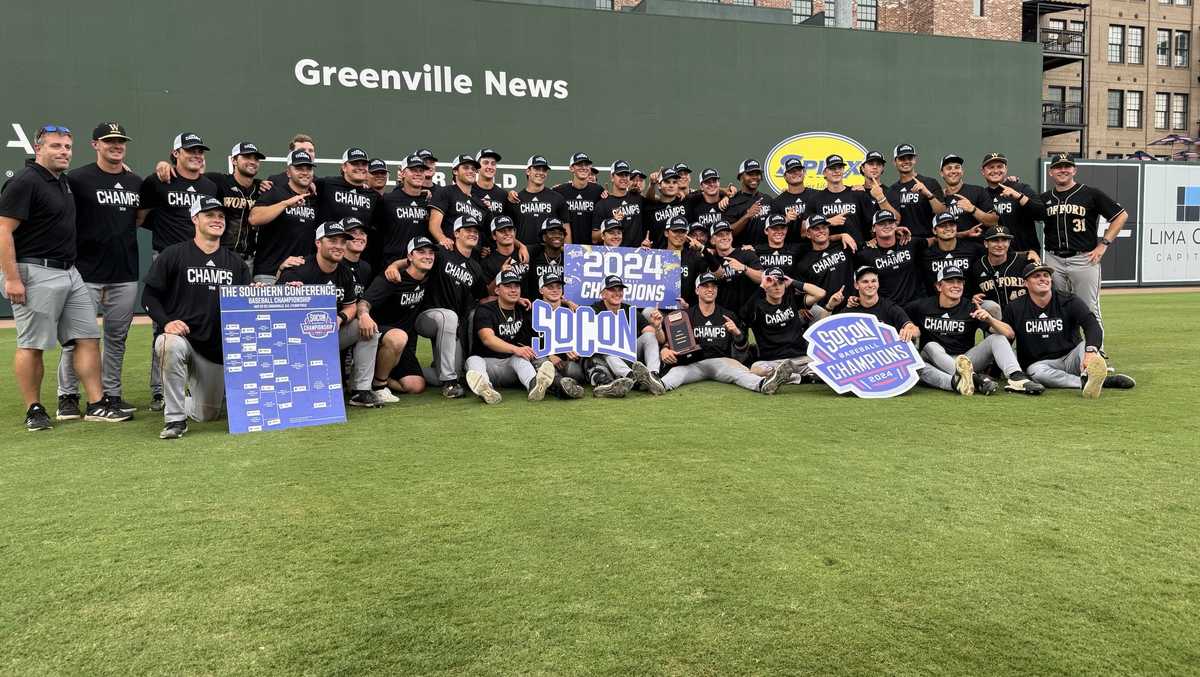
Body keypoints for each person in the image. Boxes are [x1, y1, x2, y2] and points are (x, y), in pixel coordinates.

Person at [1, 124, 130, 430]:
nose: (63, 152)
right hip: (34, 271)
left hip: (70, 272)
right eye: (55, 146)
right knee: (32, 344)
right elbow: (3, 230)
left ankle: (97, 404)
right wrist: (12, 278)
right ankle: (34, 408)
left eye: (67, 147)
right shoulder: (25, 181)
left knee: (87, 338)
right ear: (38, 149)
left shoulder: (62, 182)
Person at [142, 196, 251, 439]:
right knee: (166, 343)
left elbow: (246, 304)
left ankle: (189, 400)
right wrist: (166, 321)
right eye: (209, 215)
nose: (217, 220)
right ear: (195, 219)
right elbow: (149, 296)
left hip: (214, 350)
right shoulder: (174, 255)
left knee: (207, 414)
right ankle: (175, 419)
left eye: (221, 216)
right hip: (184, 340)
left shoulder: (235, 263)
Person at [56, 122, 142, 418]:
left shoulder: (135, 182)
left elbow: (140, 218)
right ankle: (67, 395)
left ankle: (111, 395)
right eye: (109, 141)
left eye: (120, 141)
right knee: (78, 338)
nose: (116, 145)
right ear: (95, 144)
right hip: (85, 271)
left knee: (117, 338)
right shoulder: (77, 179)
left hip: (124, 271)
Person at [137, 132, 219, 410]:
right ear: (176, 154)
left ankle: (196, 383)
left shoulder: (210, 185)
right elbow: (140, 217)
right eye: (190, 150)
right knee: (164, 325)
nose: (196, 155)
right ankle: (160, 391)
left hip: (204, 260)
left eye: (200, 151)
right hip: (169, 261)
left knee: (205, 321)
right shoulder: (159, 181)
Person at [277, 220, 382, 407]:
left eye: (342, 242)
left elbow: (351, 306)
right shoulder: (298, 268)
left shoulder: (345, 272)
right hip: (297, 340)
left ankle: (361, 390)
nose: (339, 246)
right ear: (318, 243)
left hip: (330, 333)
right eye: (332, 241)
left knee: (368, 328)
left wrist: (340, 318)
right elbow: (278, 310)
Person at [385, 215, 489, 398]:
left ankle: (402, 371)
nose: (473, 233)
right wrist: (394, 264)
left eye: (475, 231)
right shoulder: (442, 252)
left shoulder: (475, 267)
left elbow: (483, 297)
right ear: (456, 233)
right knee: (448, 317)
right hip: (426, 317)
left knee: (455, 372)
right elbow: (416, 259)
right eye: (468, 230)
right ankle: (449, 384)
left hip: (451, 325)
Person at [904, 266, 1044, 396]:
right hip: (934, 360)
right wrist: (908, 325)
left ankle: (1017, 378)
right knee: (928, 350)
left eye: (960, 282)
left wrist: (990, 319)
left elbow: (1009, 334)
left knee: (997, 338)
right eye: (950, 281)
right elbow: (898, 318)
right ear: (939, 286)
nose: (956, 286)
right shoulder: (921, 306)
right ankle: (971, 380)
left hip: (966, 361)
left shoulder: (971, 307)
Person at [1001, 262, 1134, 398]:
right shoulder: (1014, 308)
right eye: (1036, 276)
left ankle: (1091, 377)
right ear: (1025, 283)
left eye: (1046, 275)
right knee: (1037, 373)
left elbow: (1091, 324)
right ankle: (1094, 382)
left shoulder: (1068, 300)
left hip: (1072, 357)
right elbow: (1005, 340)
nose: (1043, 279)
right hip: (1039, 364)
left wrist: (1090, 352)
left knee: (1087, 346)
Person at [1036, 153, 1128, 336]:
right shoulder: (1044, 198)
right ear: (1050, 172)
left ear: (1074, 170)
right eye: (1058, 167)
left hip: (1083, 258)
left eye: (1067, 166)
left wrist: (1104, 244)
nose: (1063, 170)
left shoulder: (1090, 193)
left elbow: (1121, 215)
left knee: (1089, 309)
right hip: (1053, 259)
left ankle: (1097, 355)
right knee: (1057, 308)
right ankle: (1067, 352)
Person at [659, 273, 795, 394]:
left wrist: (736, 333)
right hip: (693, 363)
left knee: (740, 373)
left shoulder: (728, 315)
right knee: (676, 373)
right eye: (705, 286)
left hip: (722, 361)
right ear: (696, 290)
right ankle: (660, 385)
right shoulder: (686, 315)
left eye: (714, 286)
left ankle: (763, 385)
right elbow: (674, 341)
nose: (710, 289)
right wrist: (665, 350)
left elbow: (743, 350)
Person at [463, 269, 561, 404]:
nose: (513, 290)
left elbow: (550, 306)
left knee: (520, 359)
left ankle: (535, 386)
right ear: (497, 290)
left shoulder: (524, 308)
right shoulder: (485, 310)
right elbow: (488, 339)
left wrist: (567, 303)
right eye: (508, 286)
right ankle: (487, 390)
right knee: (473, 360)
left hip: (510, 366)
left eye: (516, 286)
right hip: (486, 364)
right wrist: (516, 349)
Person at [359, 236, 437, 399]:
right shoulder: (392, 278)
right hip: (378, 336)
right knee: (398, 337)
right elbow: (364, 302)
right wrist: (364, 315)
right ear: (409, 256)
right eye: (421, 252)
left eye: (431, 253)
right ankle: (379, 386)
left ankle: (374, 377)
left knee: (416, 385)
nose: (427, 256)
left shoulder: (429, 278)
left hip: (402, 344)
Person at [740, 268, 824, 385]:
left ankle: (794, 377)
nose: (777, 287)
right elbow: (743, 315)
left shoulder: (791, 299)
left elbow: (820, 293)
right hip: (774, 362)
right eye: (772, 284)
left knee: (826, 365)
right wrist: (762, 286)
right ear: (765, 285)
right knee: (756, 368)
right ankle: (804, 379)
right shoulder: (758, 306)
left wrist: (793, 282)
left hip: (801, 359)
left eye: (780, 283)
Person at [586, 275, 664, 396]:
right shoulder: (593, 310)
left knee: (649, 335)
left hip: (629, 355)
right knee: (604, 346)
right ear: (603, 294)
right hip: (608, 359)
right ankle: (632, 377)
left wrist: (657, 327)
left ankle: (653, 376)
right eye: (612, 289)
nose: (617, 293)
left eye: (620, 289)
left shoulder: (630, 310)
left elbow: (658, 339)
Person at [248, 150, 318, 284]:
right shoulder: (275, 193)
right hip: (270, 273)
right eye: (298, 168)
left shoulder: (314, 199)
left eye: (308, 168)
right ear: (288, 172)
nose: (304, 172)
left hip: (301, 274)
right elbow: (253, 218)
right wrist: (285, 204)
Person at [803, 154, 878, 248]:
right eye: (832, 168)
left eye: (840, 167)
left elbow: (873, 222)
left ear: (843, 170)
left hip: (857, 250)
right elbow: (804, 231)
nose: (836, 171)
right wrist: (828, 221)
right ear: (824, 173)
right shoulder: (815, 199)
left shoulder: (858, 194)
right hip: (830, 252)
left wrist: (875, 238)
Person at [855, 210, 928, 306]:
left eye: (890, 222)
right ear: (873, 228)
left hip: (915, 304)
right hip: (888, 308)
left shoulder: (909, 242)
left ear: (896, 225)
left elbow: (934, 240)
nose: (887, 226)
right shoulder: (866, 254)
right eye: (881, 223)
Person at [375, 154, 431, 269]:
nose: (418, 173)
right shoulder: (387, 200)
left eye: (421, 170)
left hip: (419, 269)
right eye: (413, 170)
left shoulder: (429, 202)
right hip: (390, 266)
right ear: (403, 173)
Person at [980, 152, 1043, 253]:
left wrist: (1019, 196)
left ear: (1006, 169)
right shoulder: (982, 195)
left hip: (1025, 254)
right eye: (991, 167)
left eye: (1000, 166)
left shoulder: (1021, 188)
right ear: (983, 171)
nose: (995, 170)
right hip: (996, 256)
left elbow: (1041, 214)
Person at [885, 143, 946, 239]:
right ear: (894, 162)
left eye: (909, 158)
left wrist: (928, 194)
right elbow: (893, 222)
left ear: (915, 160)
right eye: (902, 159)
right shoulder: (891, 190)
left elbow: (943, 213)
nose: (906, 162)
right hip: (904, 242)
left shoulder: (930, 183)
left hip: (929, 241)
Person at [973, 225, 1040, 311]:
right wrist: (973, 297)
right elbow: (972, 294)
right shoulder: (978, 267)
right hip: (994, 318)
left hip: (1022, 313)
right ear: (986, 244)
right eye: (995, 240)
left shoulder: (1025, 261)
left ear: (1009, 243)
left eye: (1004, 240)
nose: (1000, 245)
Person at [429, 154, 489, 249]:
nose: (471, 171)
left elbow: (483, 233)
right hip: (450, 253)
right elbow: (434, 225)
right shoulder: (445, 192)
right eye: (466, 168)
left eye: (473, 169)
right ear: (455, 171)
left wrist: (483, 248)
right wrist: (443, 239)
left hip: (473, 258)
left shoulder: (480, 203)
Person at [508, 155, 568, 246]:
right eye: (537, 169)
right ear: (528, 171)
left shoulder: (557, 198)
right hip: (524, 253)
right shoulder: (516, 199)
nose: (541, 172)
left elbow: (566, 228)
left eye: (544, 170)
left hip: (549, 253)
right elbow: (509, 232)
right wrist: (519, 248)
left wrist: (567, 253)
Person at [920, 211, 985, 293]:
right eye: (942, 226)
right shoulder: (926, 254)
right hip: (937, 302)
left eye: (952, 225)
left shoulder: (972, 249)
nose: (948, 228)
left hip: (969, 300)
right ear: (934, 231)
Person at [794, 214, 853, 302]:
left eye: (824, 227)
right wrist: (803, 307)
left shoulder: (844, 246)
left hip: (851, 305)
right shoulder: (804, 264)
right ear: (808, 234)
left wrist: (843, 235)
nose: (821, 231)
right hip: (825, 311)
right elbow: (799, 294)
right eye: (816, 229)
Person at [314, 147, 379, 223]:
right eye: (355, 163)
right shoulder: (326, 184)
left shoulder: (373, 196)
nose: (361, 167)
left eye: (364, 164)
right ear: (344, 167)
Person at [938, 153, 997, 234]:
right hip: (948, 246)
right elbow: (936, 233)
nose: (953, 171)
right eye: (949, 168)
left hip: (977, 245)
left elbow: (994, 222)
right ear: (941, 173)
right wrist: (965, 234)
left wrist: (973, 209)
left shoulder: (977, 191)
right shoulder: (939, 199)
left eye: (957, 167)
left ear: (962, 171)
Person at [552, 152, 603, 245]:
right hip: (568, 248)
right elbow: (542, 195)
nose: (583, 167)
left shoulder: (598, 190)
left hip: (592, 249)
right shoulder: (559, 190)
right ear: (571, 168)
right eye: (579, 164)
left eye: (586, 165)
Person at [592, 161, 646, 247]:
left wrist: (653, 185)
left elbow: (656, 201)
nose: (624, 178)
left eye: (626, 175)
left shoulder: (638, 198)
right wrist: (612, 222)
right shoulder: (602, 204)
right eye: (620, 175)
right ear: (612, 177)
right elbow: (594, 238)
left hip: (637, 255)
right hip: (614, 255)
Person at [724, 159, 773, 246]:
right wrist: (747, 216)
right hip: (743, 253)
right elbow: (727, 233)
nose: (754, 177)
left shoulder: (767, 199)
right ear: (741, 177)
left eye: (757, 174)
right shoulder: (732, 202)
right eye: (750, 174)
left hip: (765, 253)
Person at [769, 157, 817, 243]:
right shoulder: (777, 202)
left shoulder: (817, 195)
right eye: (791, 171)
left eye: (799, 169)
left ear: (804, 172)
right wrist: (785, 220)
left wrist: (849, 188)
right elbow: (772, 231)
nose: (796, 173)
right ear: (785, 176)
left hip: (815, 246)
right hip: (790, 248)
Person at [642, 167, 687, 248]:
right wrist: (652, 184)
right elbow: (648, 197)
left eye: (674, 182)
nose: (671, 185)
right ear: (659, 185)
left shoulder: (686, 202)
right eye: (667, 182)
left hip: (683, 257)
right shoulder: (650, 208)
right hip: (659, 256)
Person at [684, 168, 727, 233]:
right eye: (707, 182)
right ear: (701, 186)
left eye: (714, 181)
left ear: (719, 183)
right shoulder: (694, 205)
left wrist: (726, 196)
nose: (711, 184)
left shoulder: (727, 203)